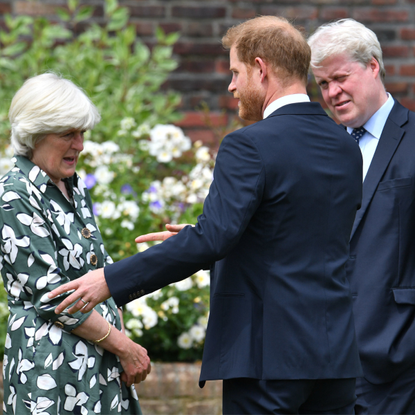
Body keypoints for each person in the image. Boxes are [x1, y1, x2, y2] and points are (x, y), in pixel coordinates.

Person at [49, 16, 363, 414]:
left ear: (261, 69)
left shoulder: (248, 145)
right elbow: (299, 233)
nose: (231, 86)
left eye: (236, 72)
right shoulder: (344, 144)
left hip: (267, 360)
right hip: (335, 360)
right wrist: (200, 237)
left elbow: (213, 239)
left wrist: (109, 280)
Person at [0, 73, 151, 414]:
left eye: (82, 133)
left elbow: (99, 271)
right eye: (68, 134)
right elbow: (54, 298)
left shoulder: (70, 185)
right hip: (52, 371)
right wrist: (125, 347)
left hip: (99, 366)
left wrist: (120, 343)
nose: (80, 144)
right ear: (34, 133)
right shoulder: (13, 195)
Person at [308, 18, 415, 414]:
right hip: (324, 364)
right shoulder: (320, 152)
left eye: (340, 77)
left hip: (400, 364)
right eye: (322, 84)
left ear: (373, 66)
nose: (332, 93)